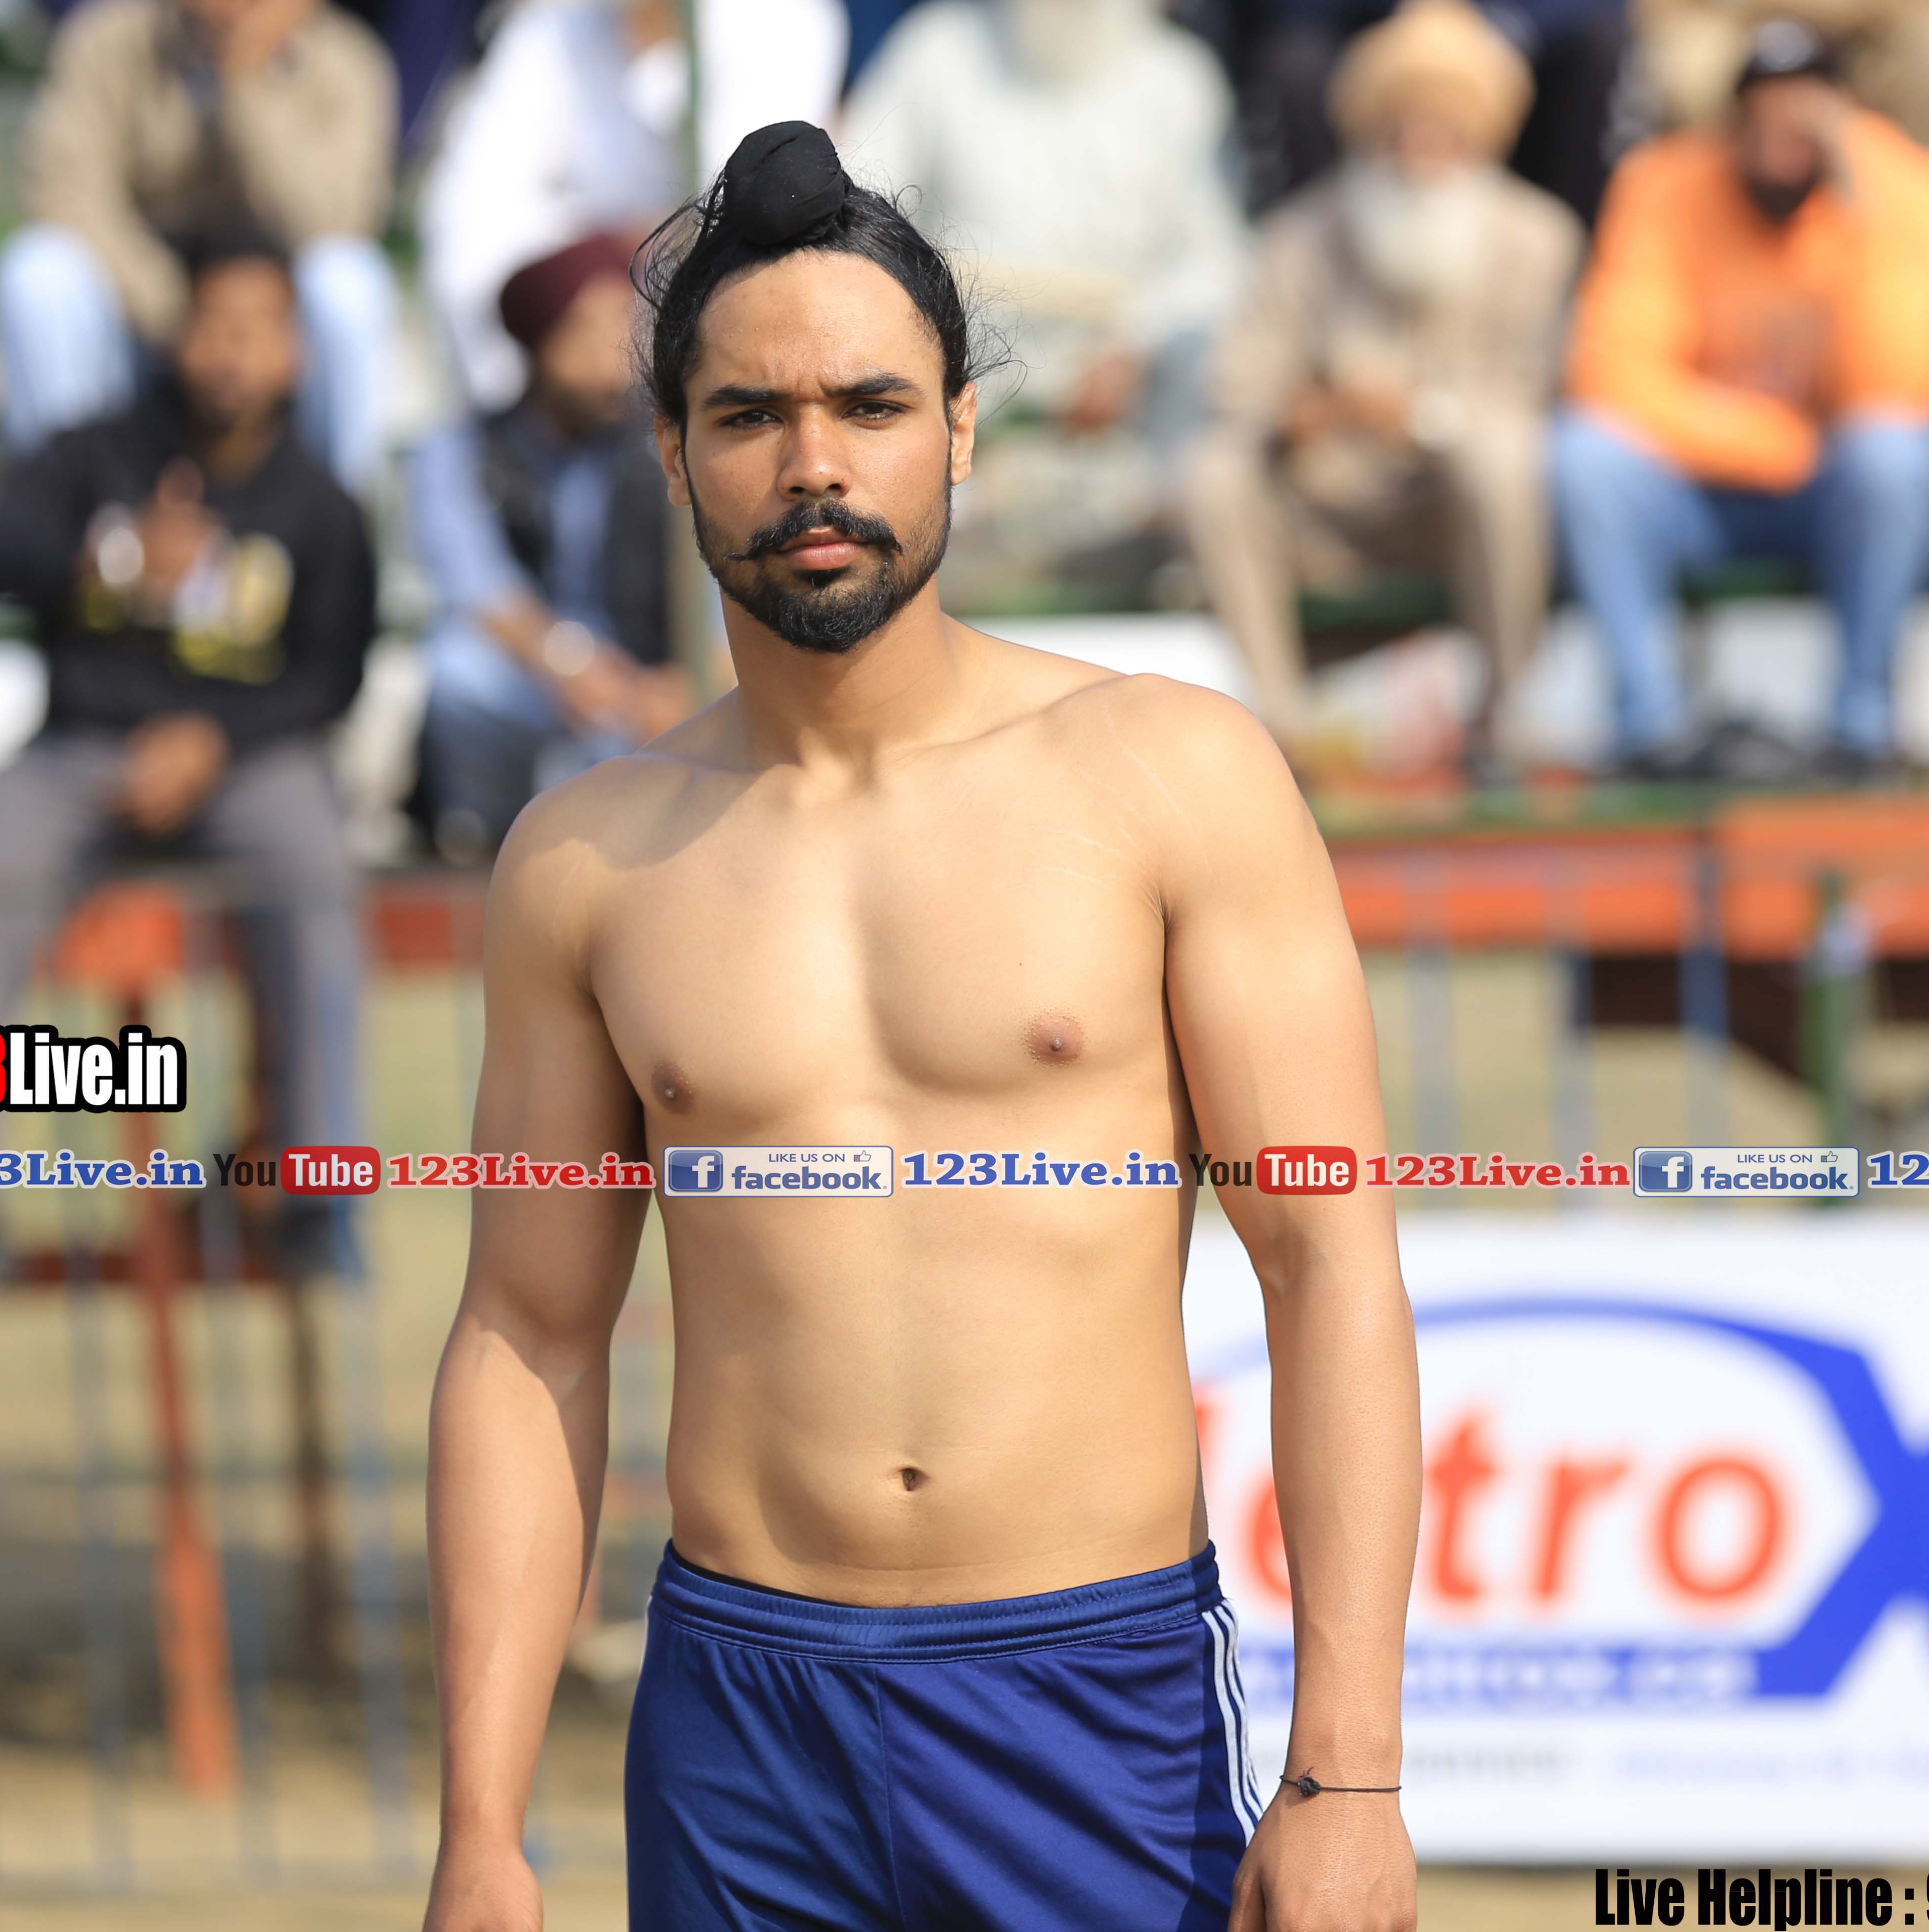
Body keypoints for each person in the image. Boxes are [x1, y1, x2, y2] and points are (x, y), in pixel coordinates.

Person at [419, 124, 1420, 1932]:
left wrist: (1347, 1770)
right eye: (749, 415)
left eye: (869, 405)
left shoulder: (1169, 775)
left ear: (958, 428)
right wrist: (480, 1827)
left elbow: (1327, 1262)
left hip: (1088, 1696)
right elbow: (526, 1332)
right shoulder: (581, 861)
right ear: (675, 453)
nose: (815, 463)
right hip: (738, 1715)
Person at [0, 230, 374, 1281]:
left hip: (249, 761)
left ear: (296, 351)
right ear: (172, 336)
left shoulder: (322, 502)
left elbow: (333, 674)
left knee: (317, 875)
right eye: (211, 326)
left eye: (256, 331)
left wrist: (214, 741)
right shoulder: (94, 454)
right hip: (85, 749)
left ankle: (319, 1203)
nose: (230, 354)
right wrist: (108, 559)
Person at [1550, 22, 1929, 778]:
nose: (1781, 134)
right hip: (1703, 487)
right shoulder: (1662, 182)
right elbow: (1610, 374)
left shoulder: (1909, 186)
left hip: (1834, 492)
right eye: (1762, 112)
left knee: (1898, 457)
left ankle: (1861, 729)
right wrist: (1778, 442)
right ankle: (1651, 731)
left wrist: (1855, 207)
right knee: (1586, 456)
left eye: (1803, 113)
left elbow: (1901, 387)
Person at [1183, 0, 1580, 769]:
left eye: (1444, 130)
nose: (1420, 150)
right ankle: (1285, 728)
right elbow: (1237, 385)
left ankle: (1505, 717)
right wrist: (1298, 412)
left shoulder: (1538, 239)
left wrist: (1419, 415)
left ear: (1478, 138)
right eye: (1403, 128)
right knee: (1213, 472)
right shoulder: (1302, 237)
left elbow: (1534, 396)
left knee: (1503, 460)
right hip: (1330, 511)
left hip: (1456, 511)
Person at [0, 0, 398, 492]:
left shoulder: (348, 60)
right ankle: (63, 507)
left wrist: (247, 85)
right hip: (144, 312)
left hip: (273, 329)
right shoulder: (110, 40)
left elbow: (336, 222)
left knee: (348, 281)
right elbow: (63, 190)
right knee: (38, 273)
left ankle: (339, 510)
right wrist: (173, 309)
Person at [841, 0, 1241, 456]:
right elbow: (861, 206)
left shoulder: (1178, 80)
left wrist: (1136, 345)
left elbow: (1215, 262)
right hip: (959, 383)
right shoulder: (940, 50)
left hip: (1127, 410)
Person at [416, 0, 848, 412]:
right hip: (548, 342)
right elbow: (467, 207)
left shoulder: (787, 22)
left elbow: (739, 212)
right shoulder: (549, 28)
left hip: (709, 340)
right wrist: (577, 294)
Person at [410, 232, 692, 860]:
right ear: (540, 341)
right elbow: (480, 591)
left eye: (625, 326)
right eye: (590, 329)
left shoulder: (660, 446)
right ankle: (482, 845)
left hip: (639, 676)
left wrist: (680, 682)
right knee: (457, 673)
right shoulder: (462, 449)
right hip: (533, 673)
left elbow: (706, 581)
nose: (615, 352)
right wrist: (570, 666)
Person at [1234, 0, 1636, 219]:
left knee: (1603, 47)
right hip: (1367, 30)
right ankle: (1321, 253)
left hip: (1519, 31)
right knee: (1293, 65)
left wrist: (1504, 25)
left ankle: (1579, 250)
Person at [1633, 0, 1929, 177]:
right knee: (1686, 64)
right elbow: (1666, 14)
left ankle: (1916, 229)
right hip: (1746, 48)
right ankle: (1719, 245)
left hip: (1871, 45)